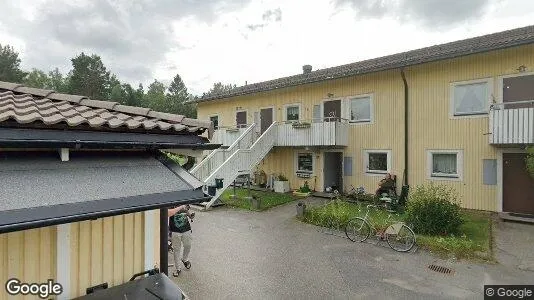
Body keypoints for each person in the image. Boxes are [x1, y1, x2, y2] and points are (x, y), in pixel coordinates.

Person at [168, 204, 195, 277]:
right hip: (175, 231)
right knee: (176, 250)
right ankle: (178, 268)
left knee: (188, 245)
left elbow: (186, 211)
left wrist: (190, 216)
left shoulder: (185, 201)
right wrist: (180, 208)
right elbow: (168, 213)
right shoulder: (170, 203)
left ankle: (185, 259)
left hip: (186, 229)